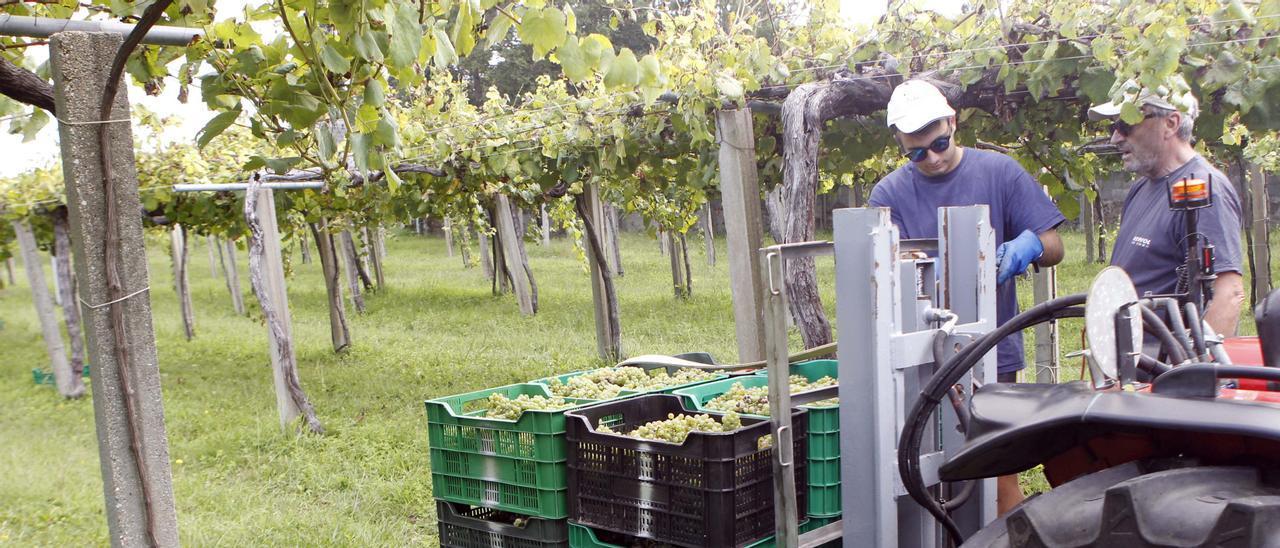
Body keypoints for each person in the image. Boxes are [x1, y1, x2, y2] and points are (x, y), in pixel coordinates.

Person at [869, 79, 1066, 515]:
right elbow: (881, 273)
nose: (933, 158)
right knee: (927, 468)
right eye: (917, 153)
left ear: (953, 122)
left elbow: (1054, 245)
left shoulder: (1000, 172)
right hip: (918, 356)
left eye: (940, 143)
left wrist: (1029, 245)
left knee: (998, 472)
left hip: (995, 348)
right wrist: (920, 274)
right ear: (900, 144)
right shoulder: (888, 195)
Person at [1088, 81, 1245, 337]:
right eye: (1113, 126)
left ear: (1170, 123)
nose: (1115, 137)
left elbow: (1228, 294)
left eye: (1125, 125)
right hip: (1135, 365)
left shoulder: (1203, 189)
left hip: (1167, 368)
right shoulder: (1142, 188)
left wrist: (1197, 374)